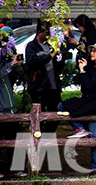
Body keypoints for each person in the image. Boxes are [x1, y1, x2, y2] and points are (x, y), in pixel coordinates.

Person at [58, 42, 96, 177]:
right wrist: (84, 68)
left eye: (95, 51)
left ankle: (80, 129)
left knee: (63, 105)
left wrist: (83, 71)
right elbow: (85, 84)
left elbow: (90, 86)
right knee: (94, 136)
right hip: (95, 104)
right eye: (91, 50)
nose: (92, 53)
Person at [25, 20, 68, 132]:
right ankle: (38, 141)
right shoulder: (32, 46)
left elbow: (58, 66)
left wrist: (60, 56)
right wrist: (50, 55)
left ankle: (46, 136)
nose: (49, 35)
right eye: (47, 32)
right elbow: (32, 62)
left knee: (57, 114)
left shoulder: (50, 46)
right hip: (39, 88)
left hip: (53, 87)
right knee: (39, 116)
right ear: (40, 31)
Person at [0, 27, 27, 179]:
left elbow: (20, 76)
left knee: (15, 141)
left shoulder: (6, 58)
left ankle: (15, 169)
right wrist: (9, 65)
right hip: (1, 109)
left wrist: (16, 64)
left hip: (11, 109)